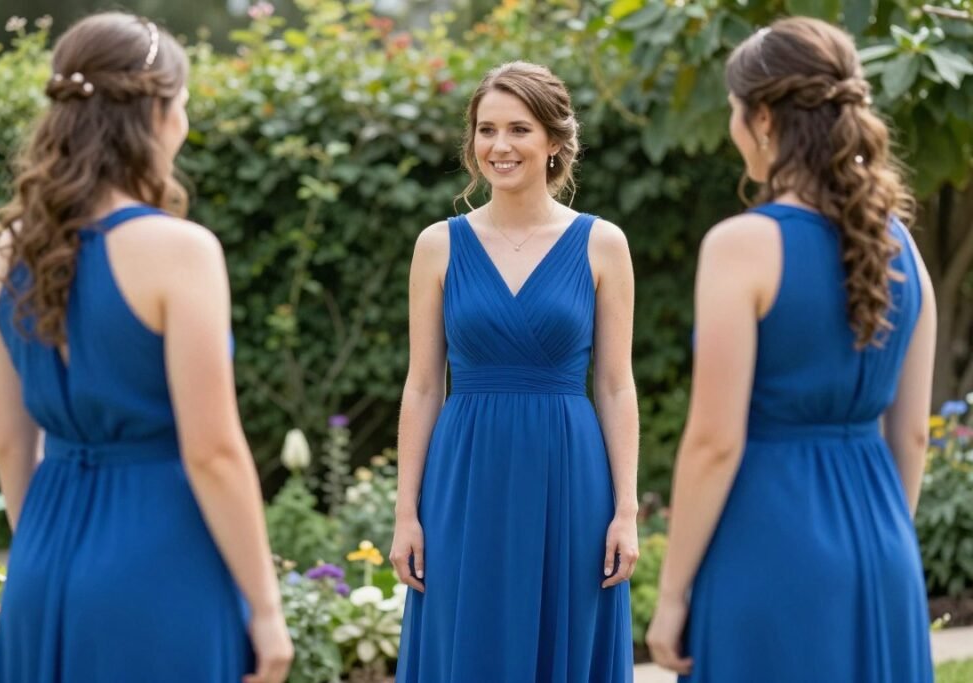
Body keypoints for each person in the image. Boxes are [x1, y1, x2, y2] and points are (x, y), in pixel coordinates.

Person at [0, 13, 293, 683]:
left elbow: (9, 445)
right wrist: (266, 607)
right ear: (155, 113)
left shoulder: (11, 254)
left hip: (41, 561)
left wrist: (47, 545)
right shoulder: (181, 251)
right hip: (161, 564)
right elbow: (212, 452)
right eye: (182, 104)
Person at [646, 17, 936, 683]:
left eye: (732, 109)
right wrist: (884, 534)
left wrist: (671, 594)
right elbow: (913, 434)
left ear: (765, 118)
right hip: (884, 551)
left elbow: (715, 441)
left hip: (768, 546)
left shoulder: (740, 246)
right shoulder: (903, 247)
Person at [391, 61, 638, 682]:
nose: (499, 146)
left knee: (569, 631)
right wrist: (405, 512)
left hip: (571, 475)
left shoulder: (603, 243)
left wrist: (627, 509)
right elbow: (423, 384)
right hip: (464, 475)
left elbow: (614, 384)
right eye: (486, 129)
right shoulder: (437, 245)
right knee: (463, 638)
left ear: (554, 141)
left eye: (519, 129)